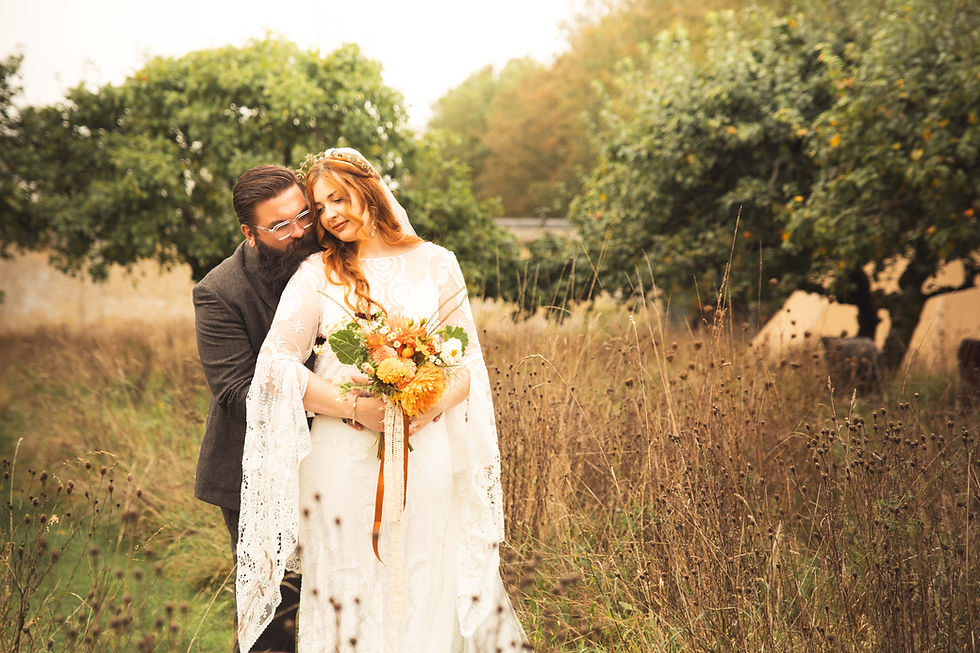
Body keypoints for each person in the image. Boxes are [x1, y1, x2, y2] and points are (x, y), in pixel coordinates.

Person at [235, 148, 527, 652]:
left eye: (337, 199)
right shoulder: (316, 273)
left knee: (425, 572)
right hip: (340, 460)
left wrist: (423, 405)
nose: (329, 215)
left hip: (426, 450)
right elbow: (275, 367)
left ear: (368, 190)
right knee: (348, 583)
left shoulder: (438, 263)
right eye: (320, 206)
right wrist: (356, 407)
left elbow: (467, 365)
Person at [193, 164, 321, 652]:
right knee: (275, 618)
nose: (300, 232)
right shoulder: (219, 292)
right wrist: (334, 402)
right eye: (281, 226)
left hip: (338, 462)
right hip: (257, 472)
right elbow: (236, 392)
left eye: (304, 216)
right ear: (250, 233)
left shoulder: (333, 260)